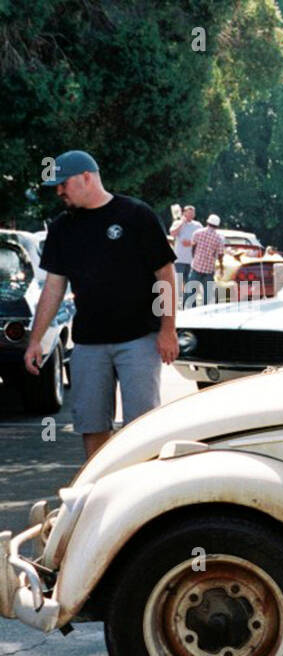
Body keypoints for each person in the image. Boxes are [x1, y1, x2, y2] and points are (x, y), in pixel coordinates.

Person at [23, 150, 179, 460]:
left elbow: (165, 274)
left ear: (86, 178)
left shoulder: (136, 215)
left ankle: (141, 495)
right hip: (89, 343)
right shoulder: (61, 228)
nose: (59, 192)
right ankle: (98, 493)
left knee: (143, 428)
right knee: (92, 425)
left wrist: (168, 329)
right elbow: (53, 288)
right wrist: (35, 340)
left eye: (62, 184)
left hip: (139, 339)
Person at [188, 214, 224, 307]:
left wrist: (195, 258)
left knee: (192, 291)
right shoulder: (219, 238)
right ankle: (205, 311)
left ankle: (192, 310)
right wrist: (221, 267)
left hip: (196, 266)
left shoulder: (197, 233)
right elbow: (220, 255)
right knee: (207, 294)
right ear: (217, 226)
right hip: (209, 269)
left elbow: (193, 248)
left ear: (207, 222)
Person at [169, 205, 199, 301]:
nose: (190, 214)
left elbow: (201, 239)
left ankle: (190, 303)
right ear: (184, 213)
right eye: (188, 212)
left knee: (190, 283)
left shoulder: (198, 225)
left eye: (192, 213)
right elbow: (172, 233)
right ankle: (177, 302)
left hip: (192, 260)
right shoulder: (177, 223)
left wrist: (190, 243)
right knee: (178, 282)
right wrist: (181, 222)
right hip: (180, 259)